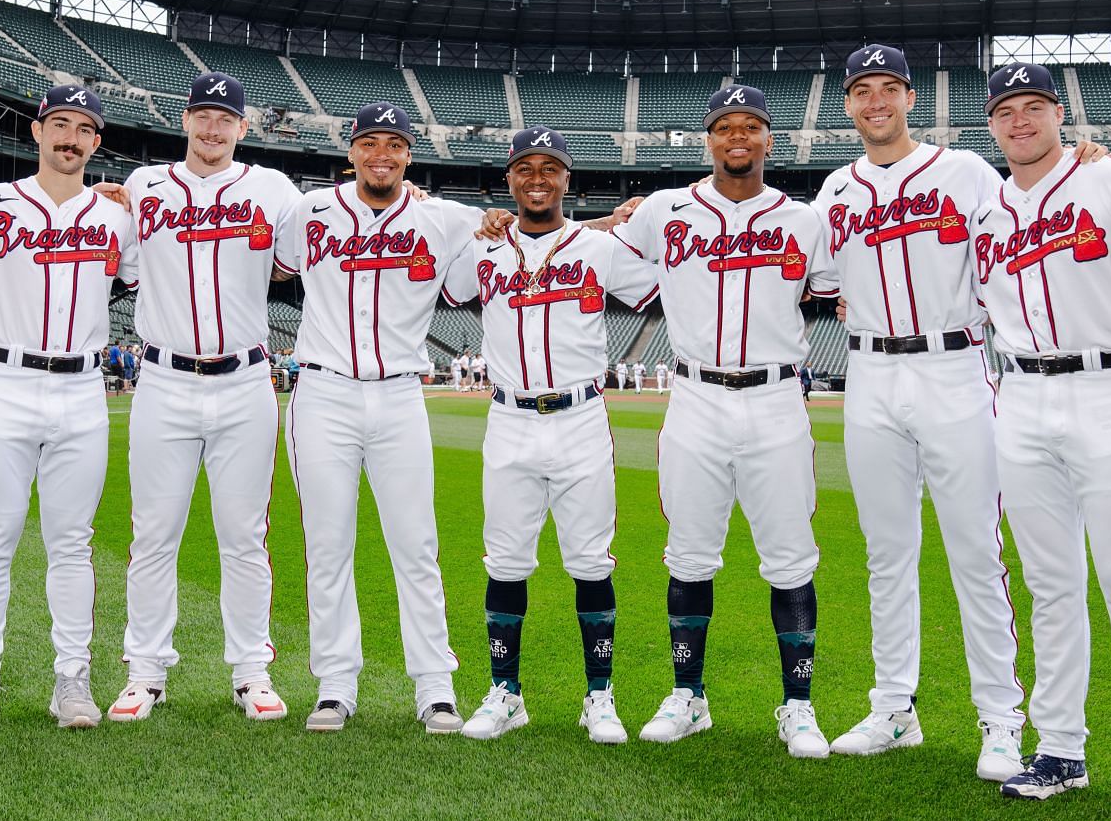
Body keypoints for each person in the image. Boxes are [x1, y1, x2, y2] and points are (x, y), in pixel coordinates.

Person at [971, 62, 1111, 821]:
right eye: (1007, 109)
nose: (1020, 120)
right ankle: (1061, 747)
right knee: (1051, 584)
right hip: (1022, 396)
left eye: (1034, 106)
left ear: (1058, 114)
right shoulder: (986, 211)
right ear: (992, 125)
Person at [804, 43, 1026, 781]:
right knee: (886, 552)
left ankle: (1001, 716)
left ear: (909, 97)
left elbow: (1020, 222)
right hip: (867, 370)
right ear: (847, 104)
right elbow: (817, 275)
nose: (876, 101)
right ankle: (894, 707)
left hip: (952, 364)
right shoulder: (835, 190)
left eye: (888, 88)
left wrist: (1083, 160)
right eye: (861, 89)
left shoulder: (963, 171)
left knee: (975, 549)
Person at [611, 84, 830, 760]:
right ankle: (689, 694)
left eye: (752, 126)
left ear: (772, 139)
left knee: (790, 556)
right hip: (696, 395)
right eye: (724, 127)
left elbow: (840, 286)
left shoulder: (804, 219)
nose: (738, 137)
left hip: (775, 396)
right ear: (708, 140)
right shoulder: (663, 210)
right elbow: (597, 250)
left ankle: (798, 704)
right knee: (691, 552)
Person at [274, 102, 486, 733]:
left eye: (394, 145)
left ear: (409, 156)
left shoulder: (444, 218)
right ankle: (335, 683)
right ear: (351, 152)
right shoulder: (306, 211)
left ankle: (435, 684)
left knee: (415, 543)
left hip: (398, 394)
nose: (382, 155)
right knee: (328, 543)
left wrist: (618, 214)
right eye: (370, 143)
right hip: (323, 391)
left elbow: (525, 227)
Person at [442, 126, 658, 744]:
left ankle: (600, 695)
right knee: (506, 560)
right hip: (509, 418)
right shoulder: (484, 251)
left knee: (590, 559)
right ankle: (505, 692)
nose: (537, 179)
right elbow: (451, 287)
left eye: (550, 169)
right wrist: (475, 227)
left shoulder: (598, 248)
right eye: (524, 168)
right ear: (508, 179)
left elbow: (664, 283)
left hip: (581, 416)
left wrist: (632, 222)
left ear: (567, 179)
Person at [107, 72, 301, 725]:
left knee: (244, 536)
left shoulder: (272, 188)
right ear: (184, 119)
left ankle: (251, 671)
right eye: (204, 115)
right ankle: (145, 672)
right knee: (153, 533)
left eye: (226, 119)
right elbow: (122, 264)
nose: (214, 128)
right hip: (163, 377)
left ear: (243, 128)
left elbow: (313, 243)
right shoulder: (143, 185)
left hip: (245, 378)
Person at [0, 85, 138, 733]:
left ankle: (72, 679)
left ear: (96, 142)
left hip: (82, 390)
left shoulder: (120, 217)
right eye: (59, 123)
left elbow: (159, 269)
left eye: (83, 128)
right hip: (4, 381)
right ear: (36, 131)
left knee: (73, 543)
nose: (70, 136)